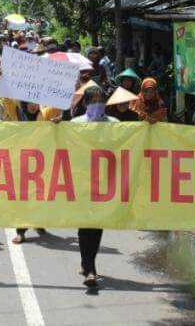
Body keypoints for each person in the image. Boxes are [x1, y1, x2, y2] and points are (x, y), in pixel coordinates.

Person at [71, 86, 118, 287]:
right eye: (93, 100)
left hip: (103, 183)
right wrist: (57, 127)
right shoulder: (76, 123)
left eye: (101, 100)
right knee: (84, 225)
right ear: (86, 103)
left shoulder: (114, 124)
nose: (97, 104)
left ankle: (89, 265)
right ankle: (89, 267)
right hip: (82, 182)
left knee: (96, 225)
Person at [11, 100, 47, 244]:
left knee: (40, 195)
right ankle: (21, 232)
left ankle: (38, 221)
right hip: (22, 161)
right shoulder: (17, 115)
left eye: (37, 103)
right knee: (23, 197)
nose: (34, 106)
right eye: (31, 103)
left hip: (41, 162)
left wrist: (57, 124)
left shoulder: (44, 116)